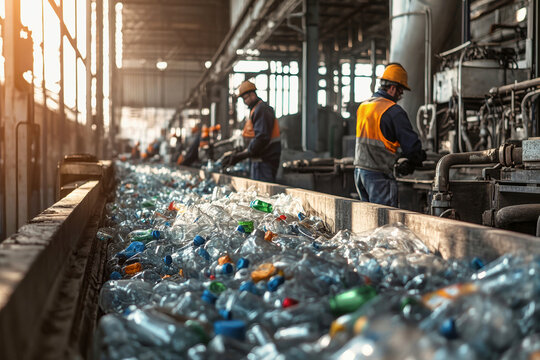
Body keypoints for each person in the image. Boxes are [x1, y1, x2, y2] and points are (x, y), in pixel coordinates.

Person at [354, 63, 426, 207]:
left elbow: (380, 138)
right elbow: (412, 148)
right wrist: (416, 160)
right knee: (385, 225)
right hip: (379, 177)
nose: (400, 96)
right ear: (392, 88)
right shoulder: (393, 111)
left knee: (368, 220)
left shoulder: (364, 106)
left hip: (359, 173)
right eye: (400, 91)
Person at [221, 80, 281, 182]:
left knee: (263, 193)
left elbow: (262, 137)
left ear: (252, 94)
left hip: (265, 161)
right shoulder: (256, 110)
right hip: (259, 160)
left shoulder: (262, 110)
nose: (245, 102)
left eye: (245, 98)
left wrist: (243, 155)